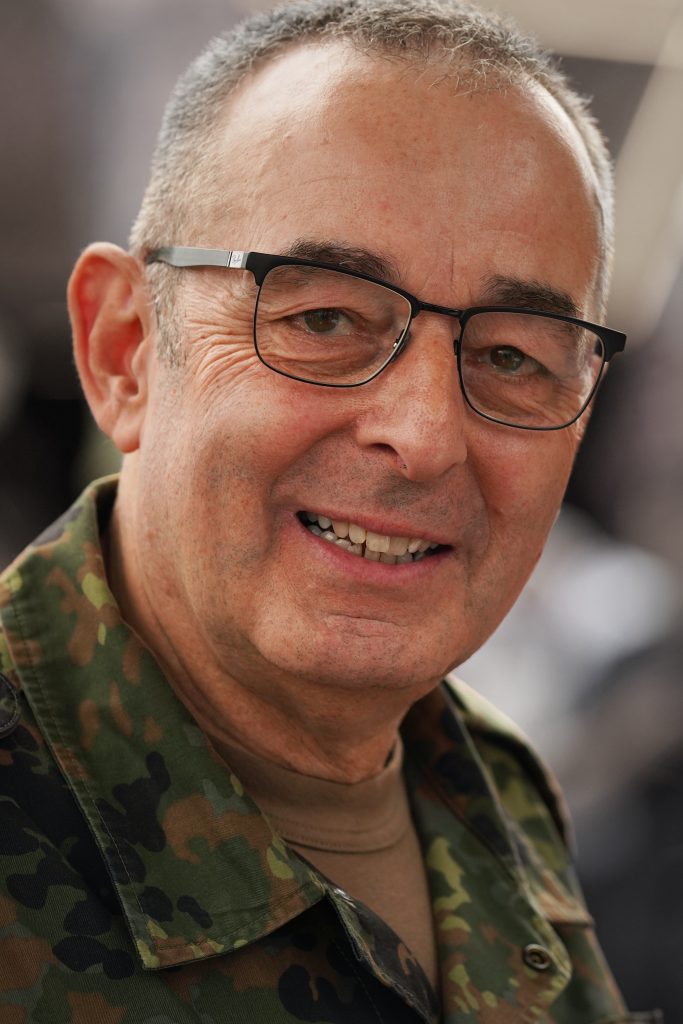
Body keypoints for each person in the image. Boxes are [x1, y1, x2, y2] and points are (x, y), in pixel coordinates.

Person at [0, 0, 661, 1020]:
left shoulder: (494, 787)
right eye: (323, 318)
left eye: (510, 356)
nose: (425, 435)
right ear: (124, 351)